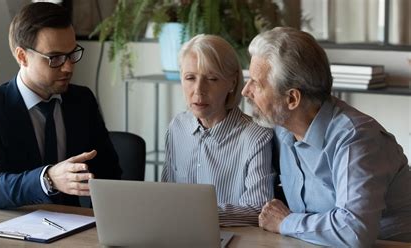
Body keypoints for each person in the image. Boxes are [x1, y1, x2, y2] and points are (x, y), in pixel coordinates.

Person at [242, 27, 411, 246]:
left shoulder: (357, 139)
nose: (246, 91)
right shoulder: (281, 127)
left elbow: (354, 231)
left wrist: (286, 222)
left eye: (257, 83)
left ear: (292, 99)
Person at [0, 2, 121, 209]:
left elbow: (109, 170)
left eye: (72, 53)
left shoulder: (82, 100)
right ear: (22, 56)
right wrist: (48, 178)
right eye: (55, 58)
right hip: (15, 228)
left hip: (76, 225)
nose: (68, 67)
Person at [162, 34, 275, 226]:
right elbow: (165, 196)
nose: (198, 90)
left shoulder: (256, 137)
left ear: (232, 82)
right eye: (190, 78)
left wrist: (195, 213)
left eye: (212, 79)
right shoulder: (177, 127)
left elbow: (258, 209)